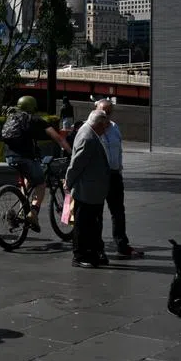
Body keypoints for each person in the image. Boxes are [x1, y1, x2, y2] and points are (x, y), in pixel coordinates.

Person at [1, 95, 71, 233]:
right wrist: (70, 152)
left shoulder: (12, 118)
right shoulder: (35, 120)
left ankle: (22, 210)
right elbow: (58, 138)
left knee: (27, 180)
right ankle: (33, 213)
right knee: (41, 184)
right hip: (25, 158)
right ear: (33, 107)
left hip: (9, 157)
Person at [94, 99, 143, 258]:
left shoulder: (115, 128)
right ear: (96, 110)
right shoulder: (91, 129)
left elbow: (118, 149)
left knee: (118, 212)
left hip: (115, 175)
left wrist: (120, 168)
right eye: (103, 112)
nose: (106, 115)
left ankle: (122, 244)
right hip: (99, 176)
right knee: (97, 213)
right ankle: (97, 247)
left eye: (108, 112)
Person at [64, 111, 112, 268]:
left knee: (91, 224)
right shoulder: (88, 138)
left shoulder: (87, 131)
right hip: (87, 191)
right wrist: (68, 182)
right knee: (83, 224)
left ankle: (92, 252)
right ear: (98, 124)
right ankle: (79, 256)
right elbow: (77, 164)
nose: (105, 130)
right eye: (104, 126)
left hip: (92, 190)